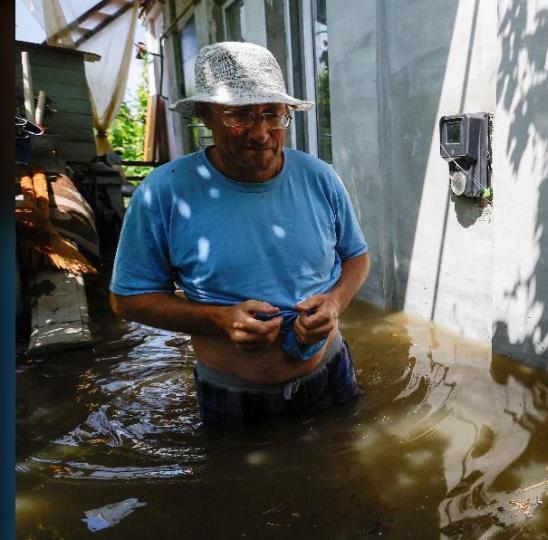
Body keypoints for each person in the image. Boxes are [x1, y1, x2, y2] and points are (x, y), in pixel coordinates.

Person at [109, 42, 370, 424]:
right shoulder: (164, 192)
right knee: (239, 482)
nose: (261, 133)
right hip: (232, 394)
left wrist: (334, 303)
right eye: (240, 116)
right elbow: (127, 299)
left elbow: (356, 257)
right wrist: (220, 320)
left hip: (330, 370)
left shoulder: (319, 178)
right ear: (205, 116)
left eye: (272, 114)